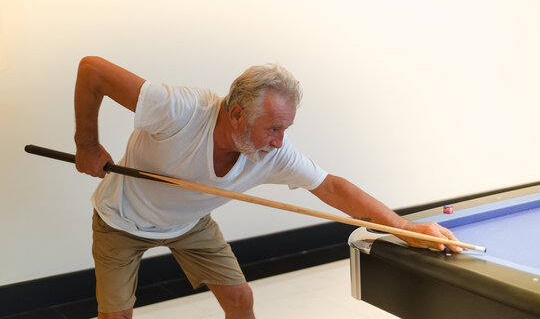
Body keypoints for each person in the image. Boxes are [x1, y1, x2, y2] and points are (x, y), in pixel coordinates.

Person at [74, 56, 461, 319]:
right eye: (273, 128)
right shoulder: (180, 110)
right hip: (121, 219)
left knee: (241, 299)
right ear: (237, 114)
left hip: (189, 223)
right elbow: (92, 70)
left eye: (284, 130)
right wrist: (87, 145)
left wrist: (406, 229)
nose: (278, 141)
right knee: (116, 315)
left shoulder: (272, 153)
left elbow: (331, 187)